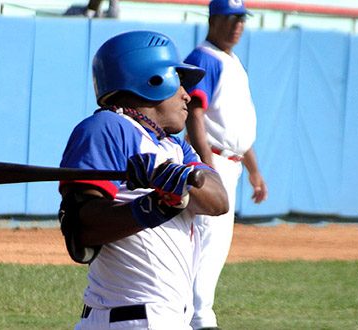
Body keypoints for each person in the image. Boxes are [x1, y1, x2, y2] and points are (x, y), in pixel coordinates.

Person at [58, 30, 229, 330]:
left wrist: (178, 178)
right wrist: (154, 205)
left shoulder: (175, 147)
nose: (187, 95)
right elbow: (83, 230)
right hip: (129, 319)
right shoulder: (107, 128)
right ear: (152, 79)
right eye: (179, 80)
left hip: (166, 319)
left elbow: (219, 201)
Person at [183, 1, 268, 329]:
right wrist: (208, 168)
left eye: (242, 19)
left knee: (214, 249)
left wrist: (254, 170)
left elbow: (238, 129)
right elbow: (195, 115)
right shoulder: (205, 57)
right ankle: (199, 319)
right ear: (213, 20)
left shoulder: (230, 60)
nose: (238, 25)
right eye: (231, 18)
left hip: (228, 162)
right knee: (205, 246)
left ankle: (196, 316)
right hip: (214, 161)